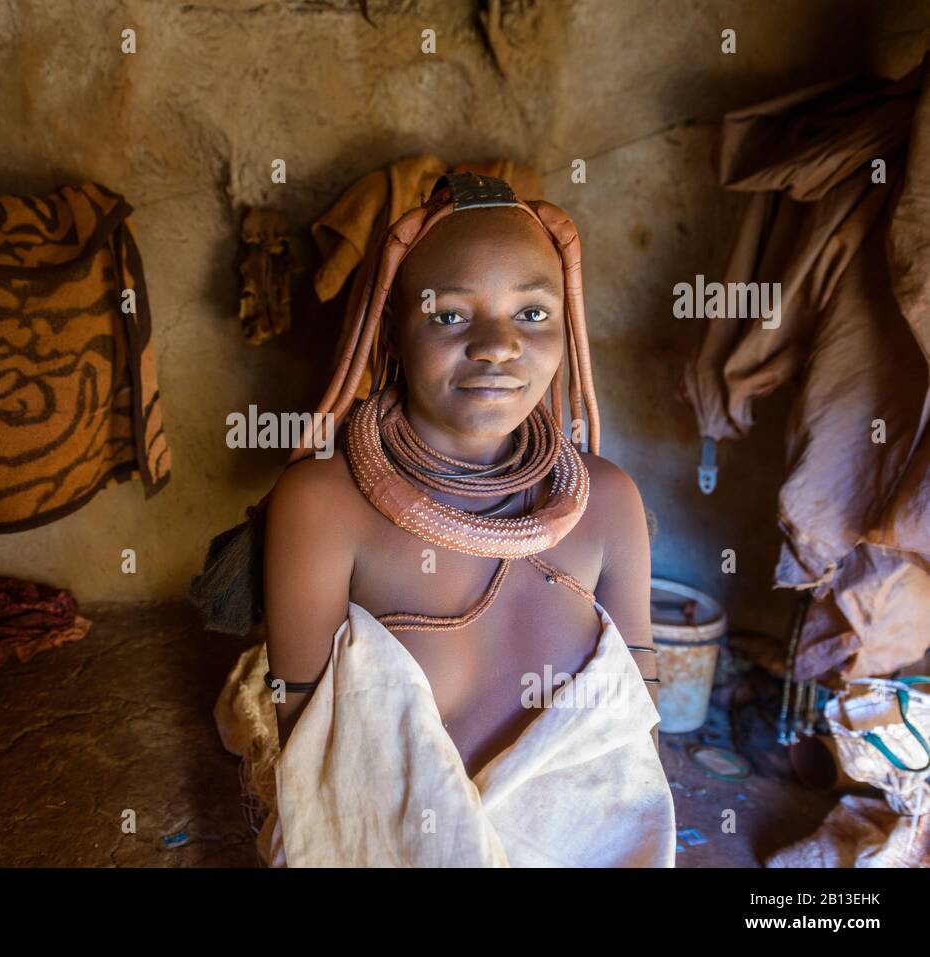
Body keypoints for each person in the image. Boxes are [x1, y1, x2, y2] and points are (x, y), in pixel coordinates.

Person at [248, 172, 675, 866]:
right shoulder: (322, 504)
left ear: (568, 329)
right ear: (392, 330)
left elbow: (633, 752)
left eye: (532, 314)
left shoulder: (609, 503)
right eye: (450, 314)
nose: (497, 344)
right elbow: (313, 776)